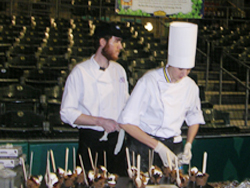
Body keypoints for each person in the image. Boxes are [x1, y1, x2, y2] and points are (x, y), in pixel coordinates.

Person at [118, 21, 205, 172]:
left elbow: (194, 118)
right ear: (170, 62)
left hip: (173, 145)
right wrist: (158, 147)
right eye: (180, 69)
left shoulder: (190, 86)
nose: (184, 74)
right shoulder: (149, 81)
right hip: (144, 145)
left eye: (188, 70)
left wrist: (189, 144)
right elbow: (125, 123)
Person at [60, 22, 129, 174]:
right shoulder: (80, 72)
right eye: (116, 41)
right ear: (102, 42)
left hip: (116, 141)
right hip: (91, 141)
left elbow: (125, 103)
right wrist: (100, 121)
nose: (121, 46)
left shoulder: (120, 71)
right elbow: (66, 113)